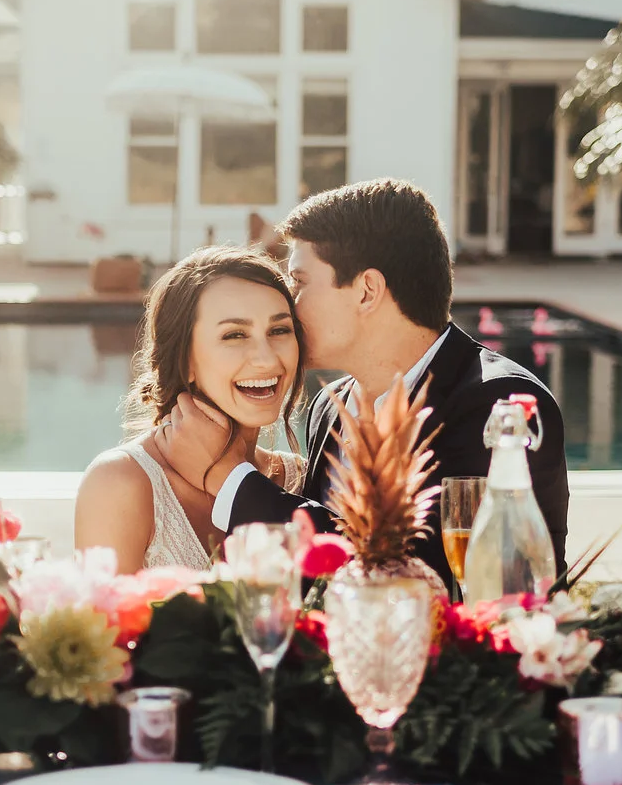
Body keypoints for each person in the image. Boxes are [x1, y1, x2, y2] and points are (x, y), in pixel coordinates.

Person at [157, 178, 568, 584]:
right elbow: (318, 573)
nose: (288, 304)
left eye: (299, 282)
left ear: (366, 291)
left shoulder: (500, 405)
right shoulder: (329, 407)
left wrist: (229, 479)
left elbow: (420, 577)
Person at [75, 246, 307, 572]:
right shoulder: (121, 482)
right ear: (184, 361)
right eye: (234, 335)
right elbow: (101, 622)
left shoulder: (298, 478)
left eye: (279, 330)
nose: (268, 359)